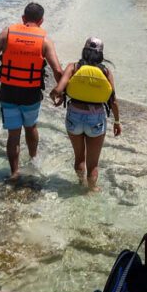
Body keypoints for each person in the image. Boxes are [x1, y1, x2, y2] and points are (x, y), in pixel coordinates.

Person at [0, 2, 63, 180]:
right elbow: (57, 71)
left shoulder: (7, 33)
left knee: (13, 134)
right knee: (31, 127)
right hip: (31, 93)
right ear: (41, 21)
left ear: (23, 18)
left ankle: (14, 172)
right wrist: (61, 91)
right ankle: (34, 160)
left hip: (8, 91)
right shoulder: (45, 41)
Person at [50, 37, 121, 191]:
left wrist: (55, 96)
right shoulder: (106, 72)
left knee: (79, 157)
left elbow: (58, 90)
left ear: (84, 51)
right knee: (93, 163)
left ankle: (80, 184)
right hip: (96, 118)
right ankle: (91, 189)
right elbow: (113, 101)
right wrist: (117, 122)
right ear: (100, 54)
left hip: (74, 117)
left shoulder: (73, 67)